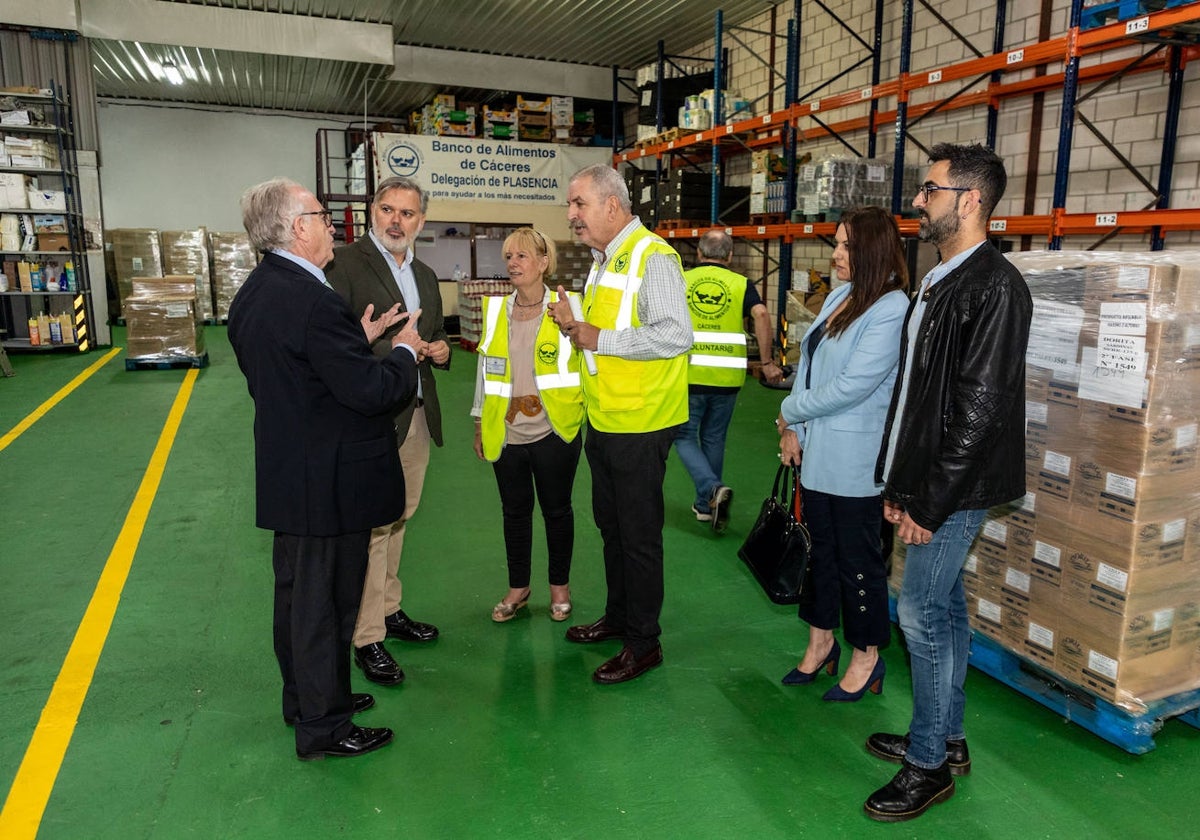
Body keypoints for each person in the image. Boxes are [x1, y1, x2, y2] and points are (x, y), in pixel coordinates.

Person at [227, 177, 425, 760]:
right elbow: (371, 392)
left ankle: (309, 698)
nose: (330, 222)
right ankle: (326, 726)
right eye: (320, 212)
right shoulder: (312, 301)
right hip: (330, 480)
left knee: (295, 599)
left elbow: (294, 375)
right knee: (324, 606)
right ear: (298, 227)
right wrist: (405, 350)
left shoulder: (259, 291)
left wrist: (350, 341)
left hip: (291, 472)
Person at [862, 144, 1032, 822]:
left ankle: (928, 765)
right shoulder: (942, 277)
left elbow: (978, 409)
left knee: (921, 614)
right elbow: (918, 397)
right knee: (947, 608)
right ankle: (947, 736)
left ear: (968, 201)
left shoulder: (994, 285)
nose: (918, 202)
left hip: (954, 487)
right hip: (927, 476)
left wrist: (929, 501)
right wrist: (898, 480)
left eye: (929, 191)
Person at [547, 163, 692, 684]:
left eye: (579, 205)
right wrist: (575, 328)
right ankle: (619, 616)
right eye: (570, 206)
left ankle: (643, 642)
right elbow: (604, 330)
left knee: (638, 536)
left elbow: (677, 334)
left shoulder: (653, 257)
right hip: (605, 419)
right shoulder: (604, 260)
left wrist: (597, 338)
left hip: (642, 422)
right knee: (612, 528)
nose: (571, 216)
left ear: (612, 205)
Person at [774, 206, 908, 702]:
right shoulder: (840, 296)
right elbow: (809, 368)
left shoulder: (892, 308)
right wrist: (796, 430)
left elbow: (853, 386)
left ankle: (867, 655)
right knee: (820, 556)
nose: (836, 254)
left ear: (872, 249)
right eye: (837, 243)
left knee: (858, 562)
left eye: (846, 245)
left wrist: (790, 408)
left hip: (857, 464)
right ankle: (820, 640)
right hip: (819, 454)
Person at [326, 175, 451, 687]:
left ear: (421, 221)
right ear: (371, 212)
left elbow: (434, 334)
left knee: (399, 518)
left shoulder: (423, 272)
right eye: (387, 209)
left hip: (414, 411)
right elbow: (336, 341)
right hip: (371, 415)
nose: (396, 221)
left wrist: (438, 351)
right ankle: (366, 634)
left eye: (407, 213)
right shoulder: (344, 265)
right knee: (374, 527)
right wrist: (383, 343)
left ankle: (389, 609)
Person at [470, 227, 585, 623]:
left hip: (556, 430)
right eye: (508, 257)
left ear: (543, 263)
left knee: (557, 511)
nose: (512, 264)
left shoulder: (568, 305)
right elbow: (486, 371)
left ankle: (560, 589)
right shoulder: (497, 310)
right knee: (514, 512)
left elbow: (590, 363)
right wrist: (478, 422)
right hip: (507, 431)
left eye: (521, 256)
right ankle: (519, 588)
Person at [677, 229, 782, 532]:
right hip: (727, 377)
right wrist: (766, 361)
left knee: (683, 436)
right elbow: (760, 314)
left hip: (689, 373)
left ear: (698, 253)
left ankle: (710, 489)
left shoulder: (682, 280)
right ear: (731, 256)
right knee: (713, 438)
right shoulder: (741, 284)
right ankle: (705, 506)